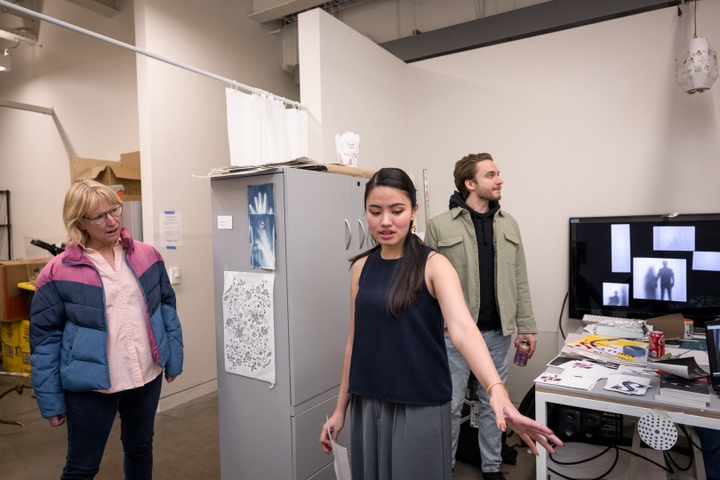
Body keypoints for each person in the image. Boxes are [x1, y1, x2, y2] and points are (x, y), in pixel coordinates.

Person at [318, 167, 561, 480]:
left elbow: (462, 329)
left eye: (397, 210)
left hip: (419, 403)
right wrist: (341, 410)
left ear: (414, 211)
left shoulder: (434, 266)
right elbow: (355, 341)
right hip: (369, 402)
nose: (386, 221)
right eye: (375, 212)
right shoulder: (361, 268)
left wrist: (496, 389)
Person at [29, 179, 184, 480]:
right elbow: (45, 340)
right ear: (80, 222)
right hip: (91, 386)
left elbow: (165, 308)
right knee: (82, 466)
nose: (112, 220)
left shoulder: (147, 255)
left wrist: (173, 357)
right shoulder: (57, 272)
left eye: (114, 209)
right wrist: (51, 399)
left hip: (145, 374)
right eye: (99, 216)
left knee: (140, 449)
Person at [424, 153, 537, 480]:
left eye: (498, 173)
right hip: (454, 338)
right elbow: (426, 285)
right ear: (470, 183)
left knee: (494, 406)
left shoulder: (509, 224)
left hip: (499, 335)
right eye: (491, 175)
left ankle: (491, 468)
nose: (499, 179)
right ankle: (443, 469)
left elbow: (520, 279)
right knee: (449, 407)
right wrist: (436, 328)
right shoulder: (439, 226)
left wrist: (527, 326)